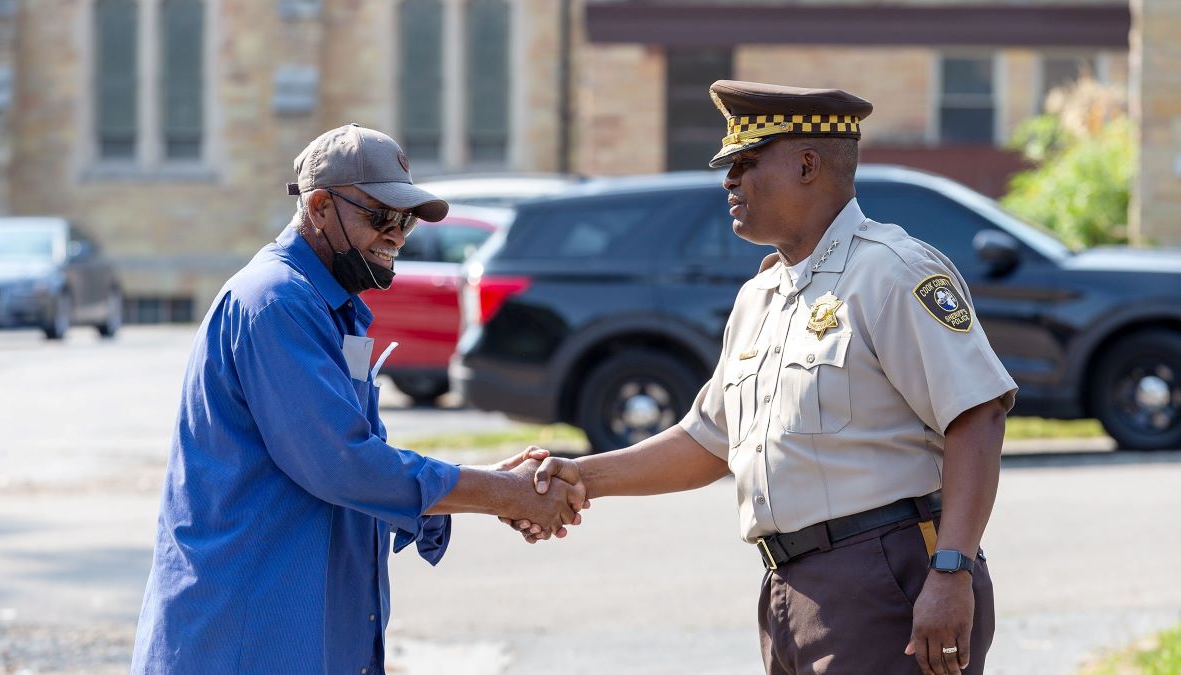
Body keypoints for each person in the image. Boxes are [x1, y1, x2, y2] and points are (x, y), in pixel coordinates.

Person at [518, 82, 1017, 675]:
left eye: (746, 162)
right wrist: (579, 477)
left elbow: (976, 415)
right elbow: (706, 441)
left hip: (887, 575)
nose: (728, 181)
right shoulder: (761, 296)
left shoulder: (891, 271)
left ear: (808, 164)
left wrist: (952, 571)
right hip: (789, 586)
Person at [131, 123, 584, 674]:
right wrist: (502, 494)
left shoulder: (329, 306)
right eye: (380, 217)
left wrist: (490, 484)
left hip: (304, 633)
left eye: (406, 220)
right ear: (319, 206)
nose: (396, 234)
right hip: (248, 638)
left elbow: (358, 461)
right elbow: (343, 466)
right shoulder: (275, 303)